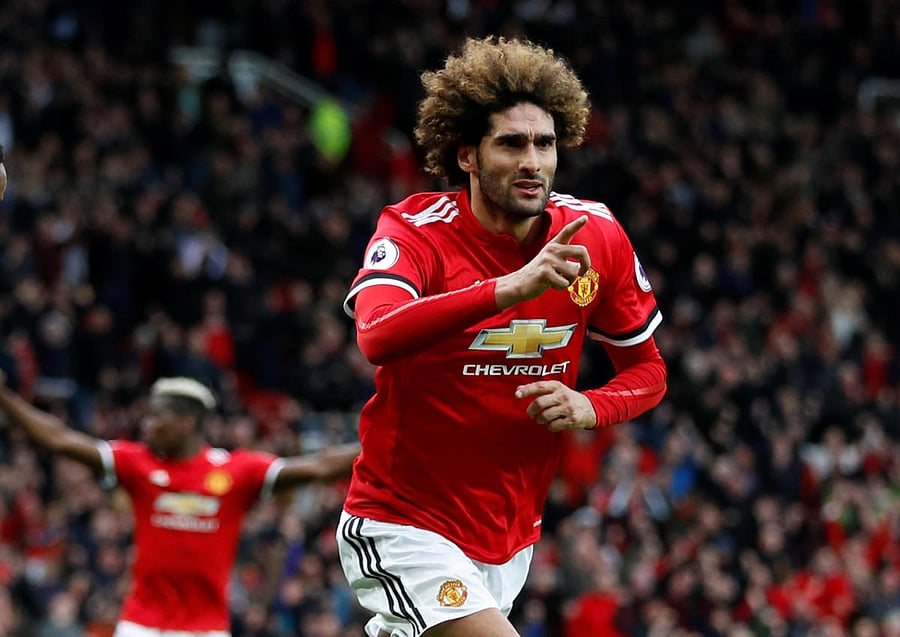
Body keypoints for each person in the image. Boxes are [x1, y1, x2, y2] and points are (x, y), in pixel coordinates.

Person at [336, 35, 667, 637]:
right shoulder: (413, 232)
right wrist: (510, 288)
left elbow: (648, 372)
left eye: (545, 144)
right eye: (511, 144)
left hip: (508, 539)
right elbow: (376, 336)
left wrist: (590, 405)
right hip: (402, 521)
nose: (532, 162)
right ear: (467, 155)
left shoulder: (595, 235)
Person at [0, 374, 359, 636]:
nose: (146, 425)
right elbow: (61, 441)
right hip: (139, 624)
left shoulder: (237, 471)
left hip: (204, 629)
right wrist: (5, 397)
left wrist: (388, 436)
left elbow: (319, 466)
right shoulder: (136, 463)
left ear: (187, 422)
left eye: (157, 417)